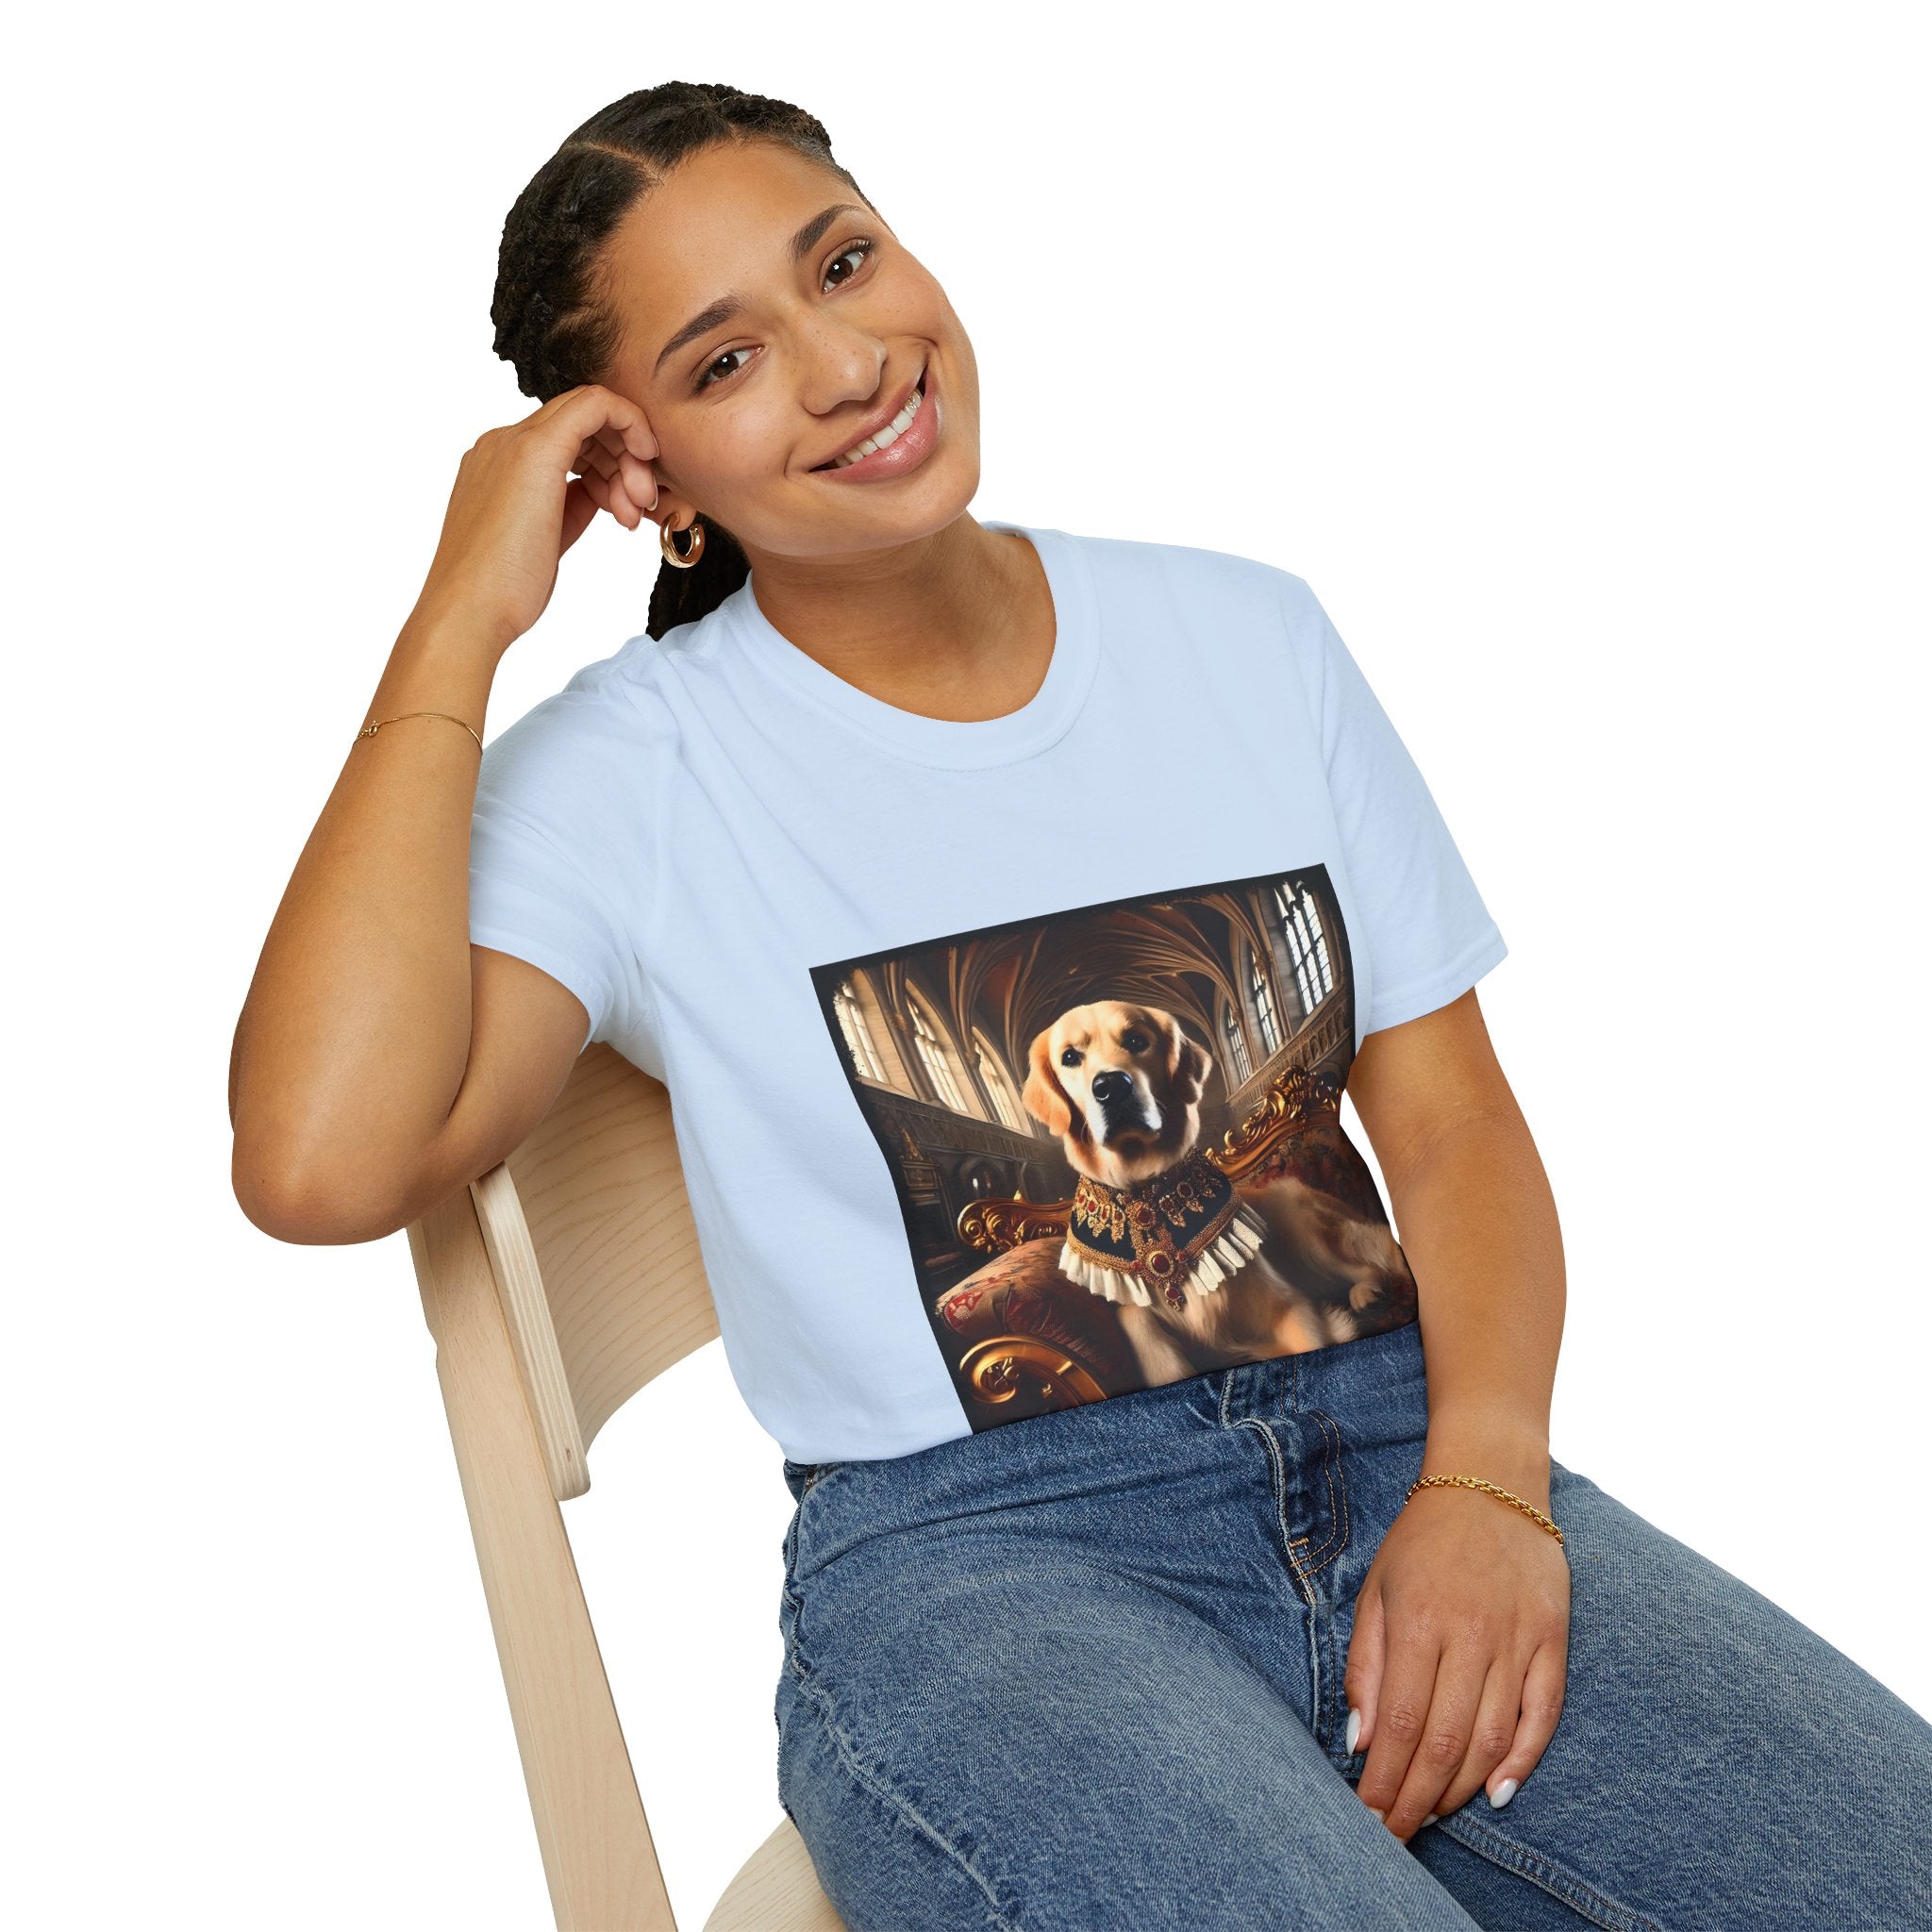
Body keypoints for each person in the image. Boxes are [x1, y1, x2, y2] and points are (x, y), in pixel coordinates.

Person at [228, 80, 1932, 1931]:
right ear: (647, 479)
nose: (845, 361)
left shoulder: (1245, 637)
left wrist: (1490, 1487)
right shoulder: (635, 773)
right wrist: (455, 619)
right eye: (724, 362)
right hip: (985, 1567)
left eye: (845, 263)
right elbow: (321, 1159)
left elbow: (1448, 1128)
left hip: (1403, 1445)